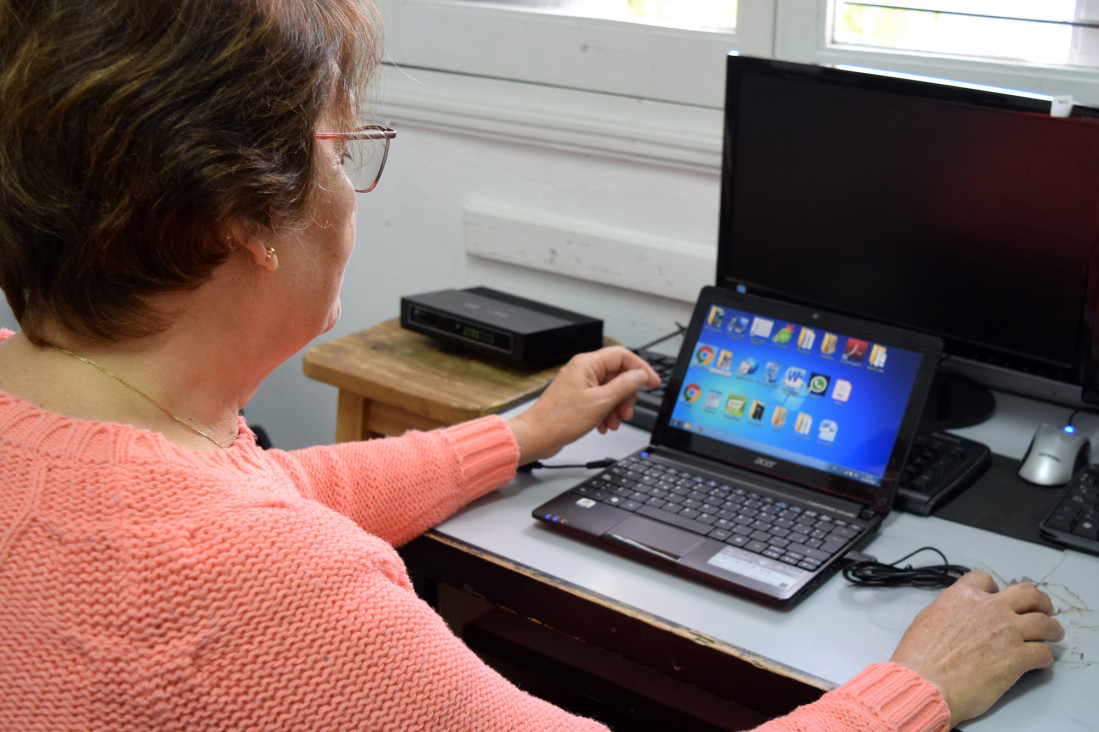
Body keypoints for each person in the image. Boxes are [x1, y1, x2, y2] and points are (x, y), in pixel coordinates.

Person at [0, 0, 1063, 729]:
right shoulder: (257, 588)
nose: (347, 183)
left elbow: (262, 485)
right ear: (239, 219)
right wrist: (918, 685)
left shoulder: (60, 411)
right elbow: (238, 543)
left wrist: (518, 433)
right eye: (339, 145)